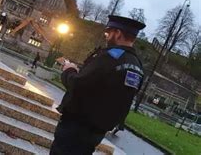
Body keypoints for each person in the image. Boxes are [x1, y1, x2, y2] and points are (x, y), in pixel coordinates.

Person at [50, 15, 146, 155]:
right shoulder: (137, 65)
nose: (106, 37)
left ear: (118, 33)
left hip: (77, 125)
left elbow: (78, 85)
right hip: (97, 131)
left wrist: (69, 70)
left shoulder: (110, 57)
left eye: (108, 33)